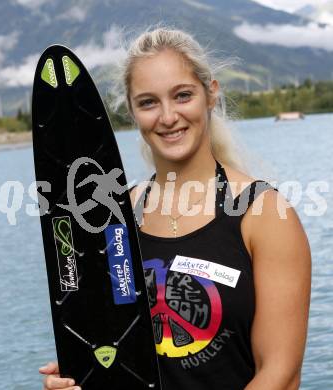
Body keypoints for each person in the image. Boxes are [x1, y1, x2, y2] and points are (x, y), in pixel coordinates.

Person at [40, 27, 311, 390]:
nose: (168, 117)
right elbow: (113, 345)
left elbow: (281, 375)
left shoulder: (264, 215)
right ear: (132, 111)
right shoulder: (118, 215)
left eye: (182, 95)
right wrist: (83, 374)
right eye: (149, 102)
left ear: (210, 95)